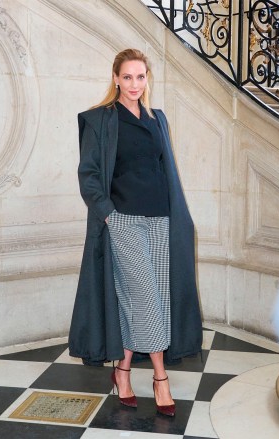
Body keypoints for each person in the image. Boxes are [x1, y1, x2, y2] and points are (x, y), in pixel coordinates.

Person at [69, 48, 203, 416]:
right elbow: (89, 175)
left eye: (140, 77)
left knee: (151, 298)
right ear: (115, 78)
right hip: (124, 220)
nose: (134, 84)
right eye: (127, 77)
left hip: (161, 219)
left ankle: (124, 371)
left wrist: (178, 218)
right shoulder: (100, 120)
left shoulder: (157, 119)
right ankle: (161, 378)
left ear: (147, 79)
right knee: (144, 297)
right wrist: (109, 216)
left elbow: (165, 171)